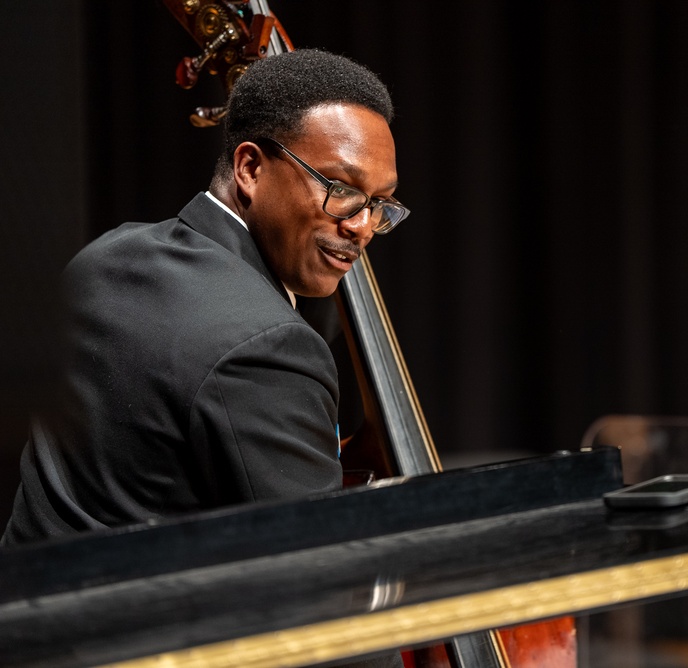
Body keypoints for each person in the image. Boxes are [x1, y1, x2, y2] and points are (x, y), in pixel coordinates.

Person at [1, 49, 408, 553]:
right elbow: (320, 570)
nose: (362, 225)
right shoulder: (268, 349)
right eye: (340, 189)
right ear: (251, 168)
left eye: (379, 204)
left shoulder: (104, 257)